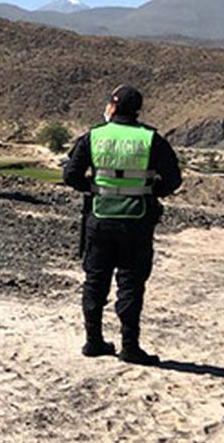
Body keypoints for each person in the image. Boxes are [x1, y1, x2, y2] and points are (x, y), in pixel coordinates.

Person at [62, 85, 182, 366]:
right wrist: (151, 192)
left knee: (95, 280)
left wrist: (93, 188)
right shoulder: (150, 138)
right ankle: (130, 346)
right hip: (137, 222)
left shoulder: (94, 136)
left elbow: (70, 174)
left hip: (100, 219)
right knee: (130, 283)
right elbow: (174, 179)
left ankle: (93, 341)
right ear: (138, 109)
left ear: (112, 107)